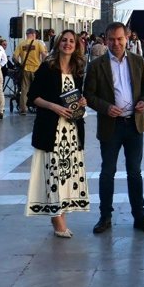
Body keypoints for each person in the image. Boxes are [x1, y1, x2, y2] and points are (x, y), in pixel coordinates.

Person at [84, 21, 144, 234]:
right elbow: (89, 95)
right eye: (112, 39)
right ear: (105, 40)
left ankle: (139, 216)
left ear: (127, 38)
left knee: (135, 172)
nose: (116, 43)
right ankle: (105, 217)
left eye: (119, 39)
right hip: (110, 126)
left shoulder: (137, 61)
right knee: (107, 172)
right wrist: (106, 107)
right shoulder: (96, 65)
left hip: (134, 125)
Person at [26, 29, 89, 237]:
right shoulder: (48, 67)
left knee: (66, 174)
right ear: (58, 43)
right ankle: (57, 219)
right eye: (64, 40)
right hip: (51, 130)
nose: (67, 44)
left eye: (71, 41)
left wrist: (82, 101)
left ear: (76, 46)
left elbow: (77, 96)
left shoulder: (77, 69)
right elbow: (32, 97)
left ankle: (61, 214)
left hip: (71, 131)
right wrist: (54, 107)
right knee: (53, 173)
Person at [14, 28, 49, 115]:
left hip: (25, 69)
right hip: (36, 69)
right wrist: (44, 65)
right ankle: (39, 107)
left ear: (27, 35)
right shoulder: (38, 43)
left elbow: (14, 57)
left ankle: (23, 109)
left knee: (24, 89)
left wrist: (19, 64)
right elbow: (44, 55)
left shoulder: (21, 44)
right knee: (38, 88)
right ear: (33, 35)